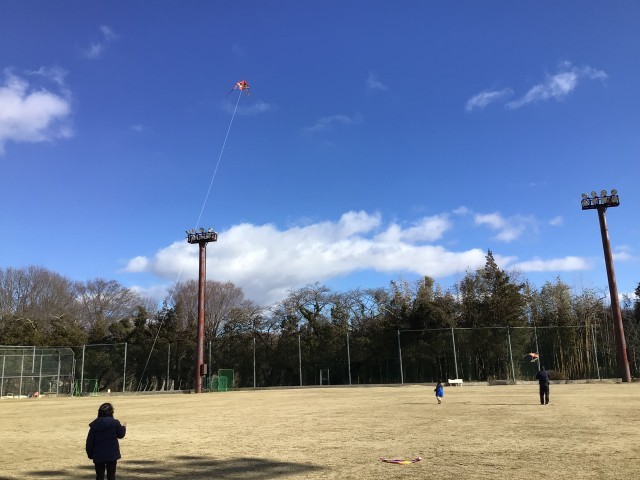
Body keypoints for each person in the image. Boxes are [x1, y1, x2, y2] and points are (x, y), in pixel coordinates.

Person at [86, 402, 127, 480]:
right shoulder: (115, 423)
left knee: (99, 476)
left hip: (98, 455)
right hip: (112, 454)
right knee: (111, 476)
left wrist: (90, 454)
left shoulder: (95, 425)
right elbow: (121, 435)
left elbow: (90, 442)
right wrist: (124, 427)